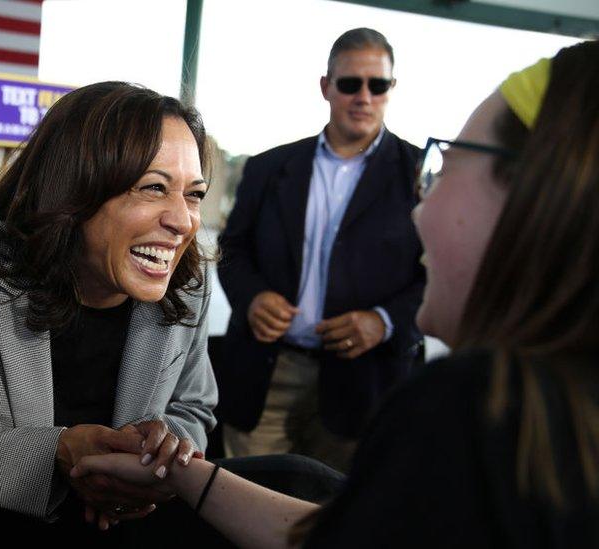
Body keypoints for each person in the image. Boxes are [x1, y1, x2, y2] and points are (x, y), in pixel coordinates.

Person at [69, 40, 599, 548]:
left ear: (535, 205)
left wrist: (384, 320)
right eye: (153, 187)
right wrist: (182, 474)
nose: (421, 210)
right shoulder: (551, 422)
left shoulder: (472, 405)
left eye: (447, 169)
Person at [0, 81, 218, 540]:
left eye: (193, 194)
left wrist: (155, 455)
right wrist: (55, 454)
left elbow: (194, 407)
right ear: (73, 188)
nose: (183, 221)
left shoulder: (188, 283)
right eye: (153, 187)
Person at [217, 27, 424, 470]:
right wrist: (252, 297)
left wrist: (384, 321)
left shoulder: (419, 175)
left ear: (392, 88)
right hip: (265, 374)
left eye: (378, 85)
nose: (363, 97)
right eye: (350, 84)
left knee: (337, 519)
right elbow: (232, 249)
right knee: (246, 509)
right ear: (326, 87)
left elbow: (440, 276)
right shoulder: (268, 168)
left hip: (363, 385)